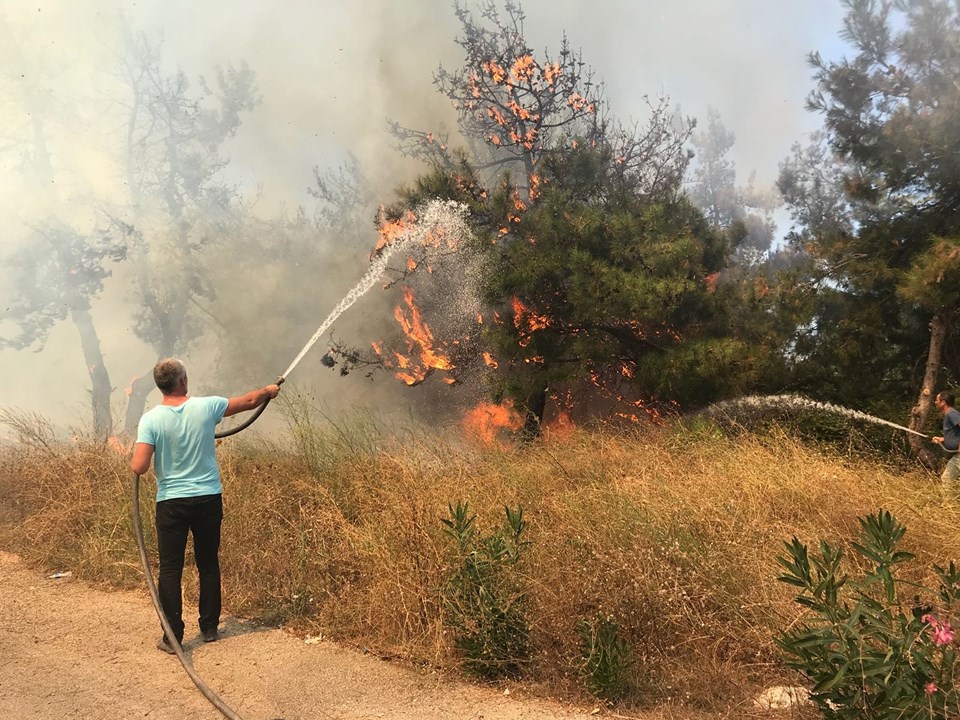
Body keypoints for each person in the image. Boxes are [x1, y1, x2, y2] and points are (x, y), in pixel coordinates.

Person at [130, 358, 281, 654]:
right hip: (208, 499)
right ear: (183, 380)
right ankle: (210, 627)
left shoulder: (150, 420)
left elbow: (139, 466)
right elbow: (250, 401)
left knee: (170, 569)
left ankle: (172, 636)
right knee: (208, 562)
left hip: (171, 503)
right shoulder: (207, 406)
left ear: (160, 386)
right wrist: (268, 390)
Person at [932, 390, 960, 491]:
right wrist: (942, 439)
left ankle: (948, 505)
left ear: (943, 402)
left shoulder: (951, 414)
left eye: (937, 400)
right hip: (957, 455)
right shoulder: (950, 414)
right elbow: (956, 434)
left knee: (946, 480)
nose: (935, 402)